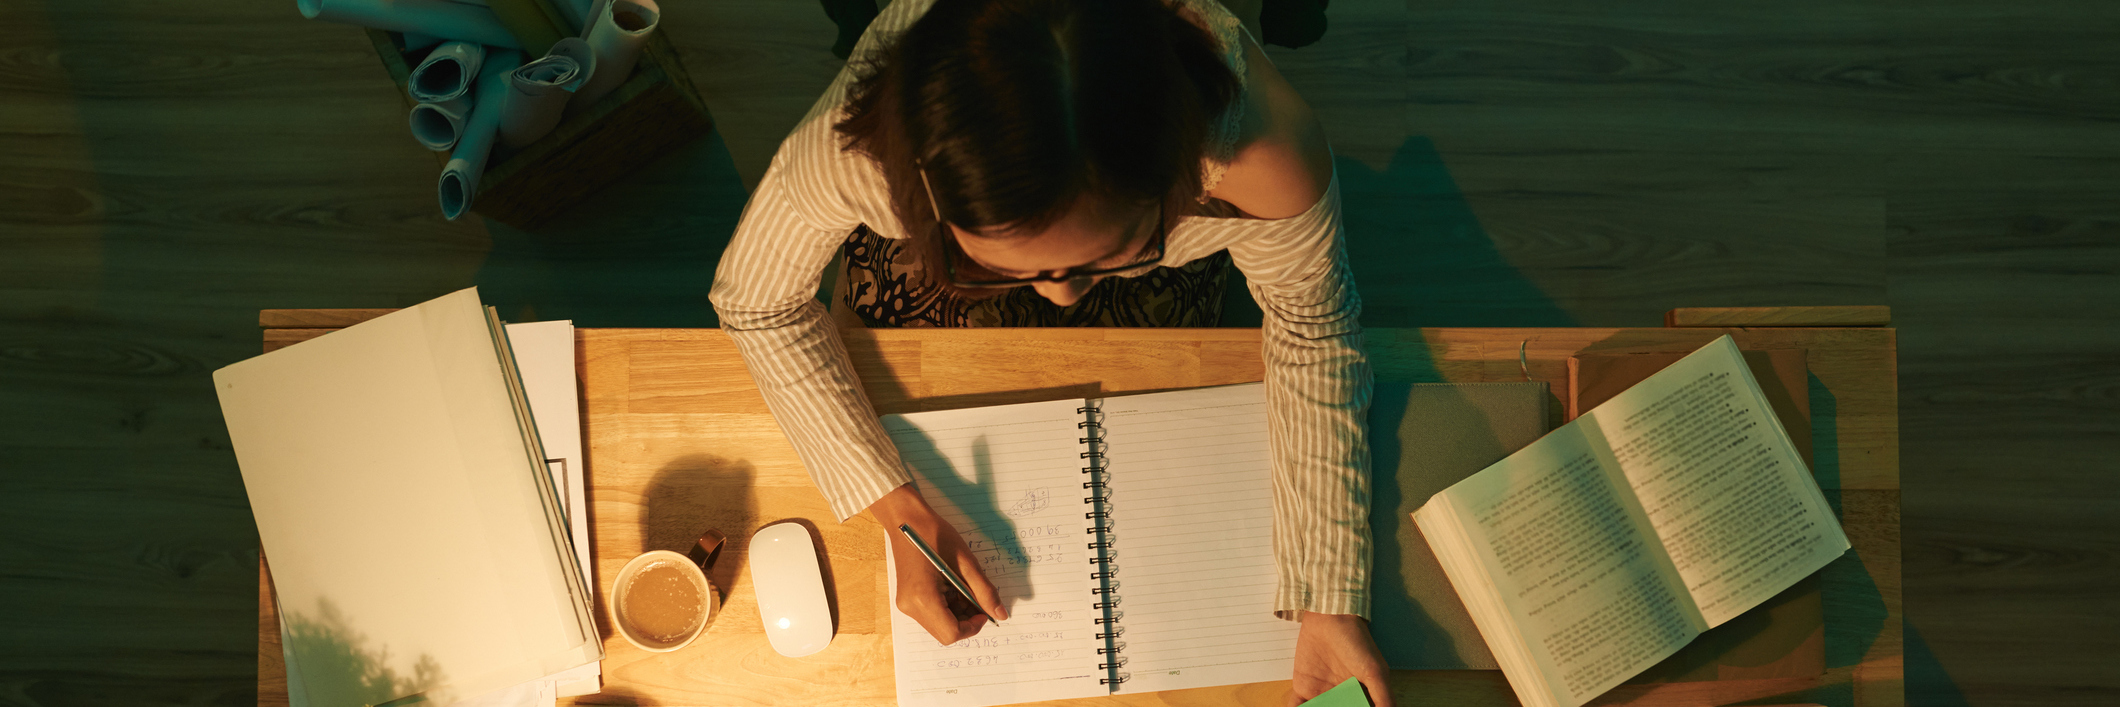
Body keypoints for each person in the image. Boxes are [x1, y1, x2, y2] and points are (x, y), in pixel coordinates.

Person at [709, 0, 1388, 704]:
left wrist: (1330, 596)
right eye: (1013, 266)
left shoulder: (1257, 153)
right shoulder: (853, 157)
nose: (1063, 299)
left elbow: (1314, 324)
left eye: (1107, 256)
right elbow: (756, 301)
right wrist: (895, 507)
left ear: (1176, 182)